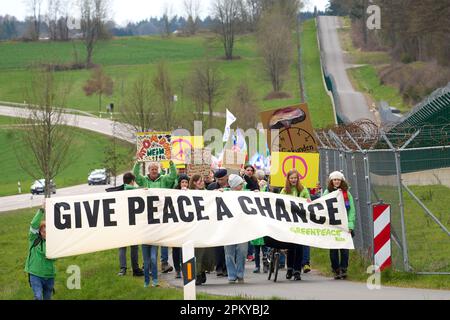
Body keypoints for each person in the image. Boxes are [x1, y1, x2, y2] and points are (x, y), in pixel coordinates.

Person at [133, 160, 178, 286]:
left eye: (155, 169)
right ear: (148, 171)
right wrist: (137, 163)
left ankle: (156, 279)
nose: (154, 171)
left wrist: (171, 163)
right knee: (146, 261)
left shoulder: (163, 180)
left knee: (153, 258)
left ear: (158, 170)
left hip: (159, 219)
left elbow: (173, 176)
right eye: (152, 169)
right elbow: (135, 175)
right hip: (146, 222)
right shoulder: (144, 181)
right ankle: (147, 281)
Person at [323, 171, 356, 280]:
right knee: (333, 249)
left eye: (338, 180)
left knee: (344, 248)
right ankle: (335, 268)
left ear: (342, 181)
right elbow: (322, 206)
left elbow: (351, 210)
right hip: (332, 225)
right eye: (334, 180)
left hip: (344, 225)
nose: (336, 181)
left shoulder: (347, 193)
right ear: (331, 181)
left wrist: (350, 224)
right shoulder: (327, 193)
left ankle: (344, 268)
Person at [280, 169, 311, 281]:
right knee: (291, 247)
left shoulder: (303, 190)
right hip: (289, 222)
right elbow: (279, 203)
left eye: (295, 178)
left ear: (298, 179)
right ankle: (290, 269)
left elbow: (309, 202)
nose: (293, 180)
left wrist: (308, 202)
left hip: (300, 221)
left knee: (299, 246)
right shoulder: (284, 190)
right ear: (288, 179)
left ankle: (297, 270)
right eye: (291, 178)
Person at [25, 203, 56, 300]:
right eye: (43, 231)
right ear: (39, 232)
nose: (45, 234)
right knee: (38, 297)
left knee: (47, 298)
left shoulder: (53, 242)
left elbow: (57, 255)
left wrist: (52, 256)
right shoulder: (34, 239)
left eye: (47, 231)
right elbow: (34, 225)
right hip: (35, 274)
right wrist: (41, 210)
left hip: (49, 275)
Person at [189, 174, 216, 286]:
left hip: (206, 226)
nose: (202, 182)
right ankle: (197, 274)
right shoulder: (188, 193)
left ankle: (202, 271)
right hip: (194, 227)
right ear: (194, 182)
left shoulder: (207, 193)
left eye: (202, 181)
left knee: (207, 252)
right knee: (197, 252)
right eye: (199, 181)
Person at [222, 174, 248, 284]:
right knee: (229, 252)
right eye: (240, 184)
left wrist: (257, 193)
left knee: (242, 251)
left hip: (243, 228)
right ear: (234, 185)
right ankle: (231, 275)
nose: (242, 185)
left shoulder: (246, 195)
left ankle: (240, 274)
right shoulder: (224, 194)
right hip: (228, 228)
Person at [116, 173, 144, 277]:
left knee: (122, 247)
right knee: (134, 247)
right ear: (132, 181)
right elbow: (130, 188)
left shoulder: (118, 191)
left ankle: (123, 269)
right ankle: (135, 269)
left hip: (121, 223)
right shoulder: (131, 189)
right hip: (132, 222)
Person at [207, 168, 229, 277]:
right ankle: (219, 267)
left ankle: (227, 267)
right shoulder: (211, 187)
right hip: (216, 219)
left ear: (226, 177)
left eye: (222, 179)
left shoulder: (231, 187)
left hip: (229, 219)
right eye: (218, 179)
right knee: (218, 245)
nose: (220, 181)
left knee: (228, 244)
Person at [172, 174, 191, 279]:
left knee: (186, 248)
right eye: (182, 182)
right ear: (179, 184)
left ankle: (185, 269)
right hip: (176, 225)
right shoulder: (174, 193)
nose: (184, 184)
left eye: (186, 182)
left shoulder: (191, 193)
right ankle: (177, 269)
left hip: (186, 225)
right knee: (176, 248)